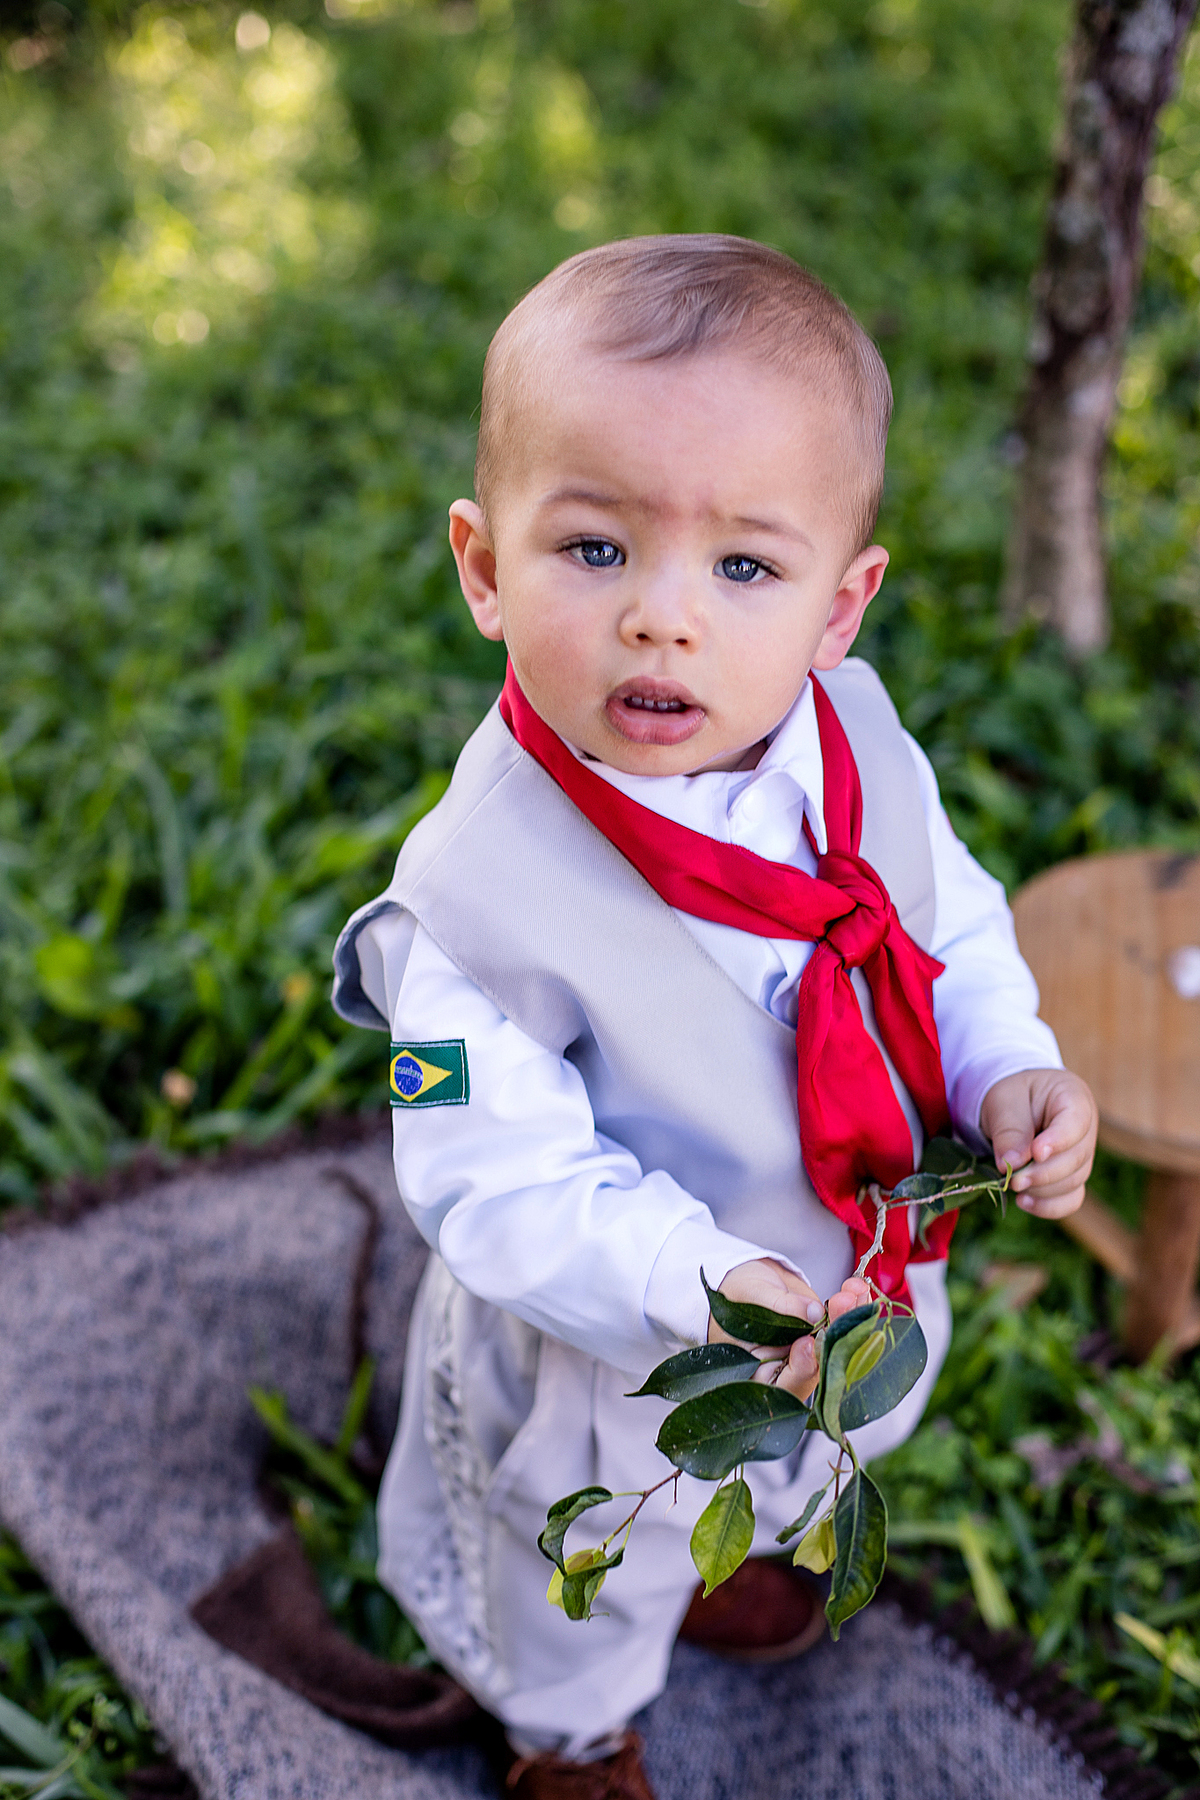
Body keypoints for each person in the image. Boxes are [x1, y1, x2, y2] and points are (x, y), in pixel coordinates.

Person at [332, 234, 1097, 1800]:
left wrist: (1004, 1061)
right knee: (581, 1568)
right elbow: (498, 1181)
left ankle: (742, 1541)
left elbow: (943, 916)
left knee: (807, 1455)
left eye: (745, 568)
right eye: (594, 548)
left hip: (851, 1277)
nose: (663, 618)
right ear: (483, 566)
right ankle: (570, 1739)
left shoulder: (856, 741)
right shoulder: (471, 905)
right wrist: (700, 1283)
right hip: (617, 1354)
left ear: (840, 605)